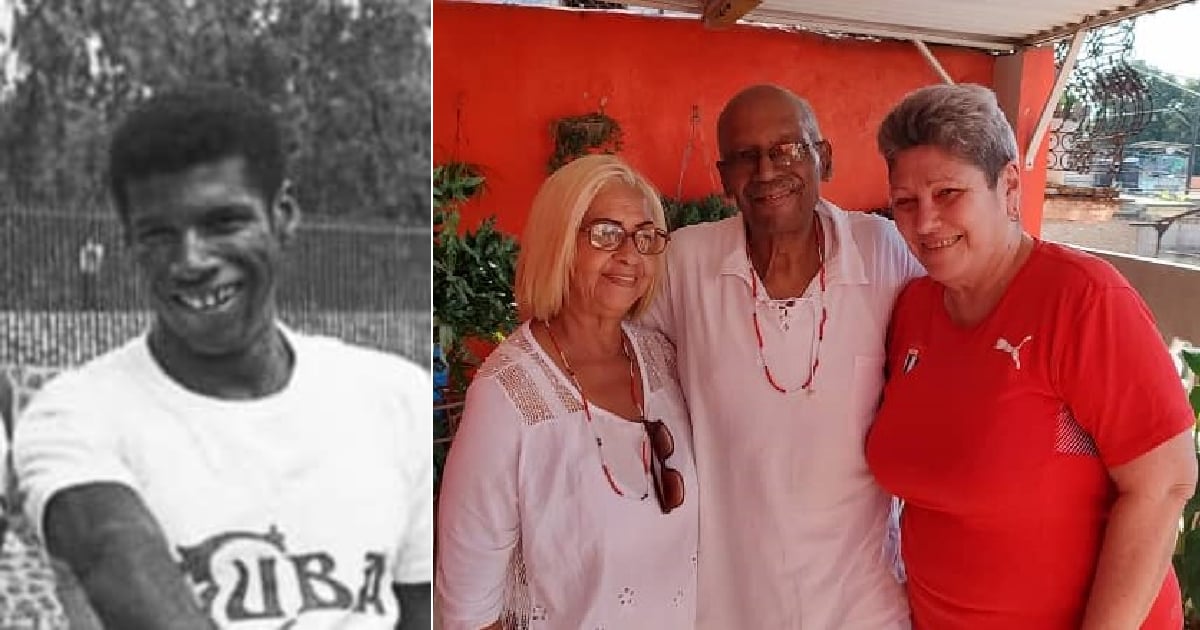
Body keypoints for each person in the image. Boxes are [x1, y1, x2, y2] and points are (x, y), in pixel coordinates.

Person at [13, 84, 432, 630]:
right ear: (128, 244)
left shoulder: (397, 400)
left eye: (222, 223)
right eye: (159, 234)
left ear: (283, 216)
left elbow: (427, 608)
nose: (191, 261)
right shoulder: (75, 415)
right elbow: (108, 552)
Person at [866, 83, 1198, 630]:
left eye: (948, 193)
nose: (924, 222)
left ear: (1009, 184)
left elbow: (1164, 484)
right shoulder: (912, 309)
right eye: (905, 202)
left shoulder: (1084, 301)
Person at [641, 84, 922, 629]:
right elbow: (618, 351)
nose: (767, 170)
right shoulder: (686, 261)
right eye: (745, 156)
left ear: (825, 157)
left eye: (788, 149)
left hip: (863, 602)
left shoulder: (883, 250)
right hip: (729, 600)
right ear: (724, 177)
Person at [436, 154, 698, 629]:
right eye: (605, 234)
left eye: (644, 236)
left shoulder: (661, 362)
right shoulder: (509, 395)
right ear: (559, 242)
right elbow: (468, 609)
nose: (629, 255)